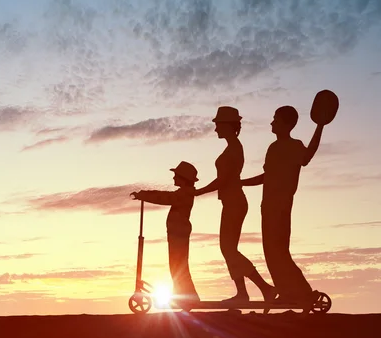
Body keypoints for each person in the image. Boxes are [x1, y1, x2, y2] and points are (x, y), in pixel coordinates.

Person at [241, 105, 323, 305]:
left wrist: (320, 126)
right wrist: (242, 182)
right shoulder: (273, 148)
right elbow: (266, 176)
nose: (272, 122)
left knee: (279, 251)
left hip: (281, 206)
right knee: (271, 252)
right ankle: (288, 293)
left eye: (276, 119)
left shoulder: (295, 146)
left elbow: (307, 156)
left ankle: (303, 292)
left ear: (287, 124)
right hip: (267, 206)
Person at [195, 106, 276, 302]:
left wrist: (199, 192)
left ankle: (262, 288)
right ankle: (247, 292)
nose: (215, 129)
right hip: (231, 202)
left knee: (228, 249)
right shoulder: (232, 147)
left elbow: (223, 180)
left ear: (229, 126)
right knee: (228, 249)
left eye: (218, 125)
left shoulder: (234, 149)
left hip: (235, 203)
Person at [130, 161, 200, 303]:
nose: (174, 178)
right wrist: (145, 194)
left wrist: (144, 195)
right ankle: (182, 295)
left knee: (178, 265)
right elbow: (164, 195)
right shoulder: (184, 192)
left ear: (183, 178)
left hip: (178, 233)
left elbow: (165, 198)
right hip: (176, 232)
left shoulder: (185, 193)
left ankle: (189, 297)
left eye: (176, 176)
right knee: (176, 265)